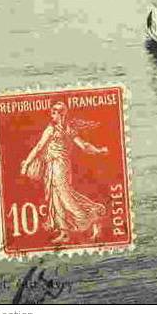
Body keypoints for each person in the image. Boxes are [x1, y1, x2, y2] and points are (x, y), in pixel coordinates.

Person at [19, 102, 108, 243]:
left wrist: (98, 151)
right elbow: (39, 148)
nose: (51, 115)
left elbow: (39, 147)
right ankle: (64, 232)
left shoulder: (61, 129)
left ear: (61, 114)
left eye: (54, 113)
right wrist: (98, 150)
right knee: (56, 198)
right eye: (52, 112)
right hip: (52, 166)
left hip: (60, 166)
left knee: (66, 196)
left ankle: (93, 216)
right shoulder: (60, 128)